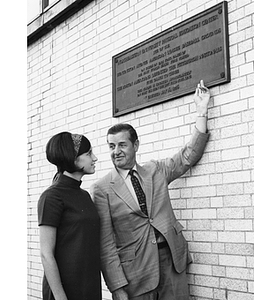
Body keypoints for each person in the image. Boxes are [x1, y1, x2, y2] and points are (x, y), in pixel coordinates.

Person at [91, 80, 211, 300]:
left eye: (122, 145)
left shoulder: (155, 170)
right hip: (136, 274)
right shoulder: (101, 189)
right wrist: (117, 288)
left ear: (135, 146)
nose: (115, 151)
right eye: (111, 146)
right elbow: (106, 244)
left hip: (172, 262)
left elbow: (187, 157)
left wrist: (201, 111)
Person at [38, 132, 102, 300]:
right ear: (72, 158)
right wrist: (60, 298)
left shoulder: (85, 196)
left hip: (89, 287)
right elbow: (46, 254)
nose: (94, 158)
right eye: (88, 154)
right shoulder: (52, 197)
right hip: (65, 292)